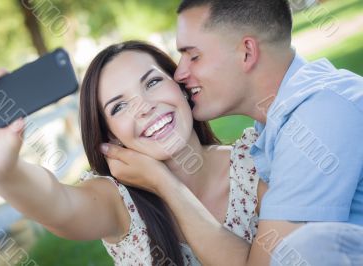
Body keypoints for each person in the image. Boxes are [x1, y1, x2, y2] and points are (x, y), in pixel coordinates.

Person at [101, 0, 363, 265]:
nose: (179, 73)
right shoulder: (285, 120)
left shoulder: (317, 120)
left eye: (193, 56)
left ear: (247, 52)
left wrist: (165, 183)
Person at [0, 40, 268, 265]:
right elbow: (58, 204)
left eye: (152, 82)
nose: (144, 107)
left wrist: (167, 184)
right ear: (111, 134)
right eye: (119, 106)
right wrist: (0, 171)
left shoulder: (253, 162)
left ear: (181, 87)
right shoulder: (119, 202)